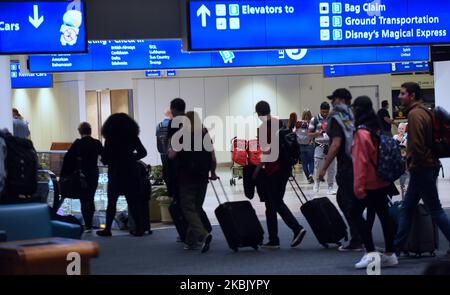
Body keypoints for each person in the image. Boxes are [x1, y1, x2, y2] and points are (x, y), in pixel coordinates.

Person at [394, 82, 450, 258]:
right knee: (408, 208)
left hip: (422, 168)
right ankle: (396, 248)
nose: (399, 96)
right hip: (426, 167)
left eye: (403, 93)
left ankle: (395, 249)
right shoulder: (425, 111)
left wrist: (411, 162)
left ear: (412, 96)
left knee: (435, 209)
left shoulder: (415, 114)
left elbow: (417, 146)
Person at [350, 96, 398, 269]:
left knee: (354, 214)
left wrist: (358, 186)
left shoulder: (361, 133)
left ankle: (370, 254)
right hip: (382, 180)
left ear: (357, 110)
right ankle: (391, 254)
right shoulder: (376, 128)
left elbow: (360, 162)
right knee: (383, 217)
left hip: (368, 182)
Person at [252, 100, 306, 249]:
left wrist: (257, 169)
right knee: (271, 204)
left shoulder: (262, 128)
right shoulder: (280, 122)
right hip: (285, 167)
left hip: (273, 170)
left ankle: (297, 228)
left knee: (275, 202)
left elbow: (267, 151)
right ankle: (273, 239)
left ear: (258, 113)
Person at [319, 88, 363, 251]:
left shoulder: (338, 118)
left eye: (334, 99)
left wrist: (323, 168)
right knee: (348, 201)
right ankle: (361, 235)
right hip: (360, 163)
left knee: (347, 202)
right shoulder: (352, 115)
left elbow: (336, 143)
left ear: (342, 100)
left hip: (347, 167)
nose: (332, 102)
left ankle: (358, 239)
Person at [168, 111, 217, 253]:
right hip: (202, 178)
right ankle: (190, 242)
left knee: (188, 209)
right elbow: (213, 158)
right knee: (195, 209)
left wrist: (170, 149)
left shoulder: (182, 135)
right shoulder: (204, 133)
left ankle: (202, 235)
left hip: (186, 178)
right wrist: (212, 172)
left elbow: (172, 156)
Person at [97, 113, 148, 237]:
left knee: (112, 202)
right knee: (133, 201)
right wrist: (131, 157)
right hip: (131, 171)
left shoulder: (110, 139)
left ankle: (107, 229)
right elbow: (143, 152)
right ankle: (140, 228)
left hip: (116, 172)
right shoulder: (132, 136)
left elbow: (105, 158)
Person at [61, 122, 103, 232]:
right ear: (90, 130)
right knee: (91, 197)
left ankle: (88, 224)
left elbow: (68, 159)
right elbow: (104, 156)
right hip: (94, 174)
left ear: (80, 132)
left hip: (82, 175)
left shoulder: (78, 143)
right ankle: (90, 221)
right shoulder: (96, 143)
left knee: (84, 200)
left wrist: (65, 175)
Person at [309, 102, 336, 194]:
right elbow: (309, 134)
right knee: (318, 167)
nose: (325, 113)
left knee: (332, 168)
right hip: (319, 146)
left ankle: (330, 186)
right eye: (323, 111)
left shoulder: (332, 119)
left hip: (331, 146)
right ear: (320, 110)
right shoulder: (314, 119)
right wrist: (317, 133)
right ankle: (316, 184)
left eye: (326, 112)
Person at [296, 110, 314, 184]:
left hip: (300, 145)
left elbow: (294, 132)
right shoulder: (312, 122)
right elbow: (314, 133)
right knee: (311, 161)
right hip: (309, 144)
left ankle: (308, 177)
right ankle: (310, 175)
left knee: (304, 163)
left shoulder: (298, 123)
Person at [156, 108, 172, 185]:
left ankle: (168, 188)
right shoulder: (176, 125)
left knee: (165, 169)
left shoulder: (159, 125)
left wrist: (161, 151)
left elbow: (158, 140)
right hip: (174, 152)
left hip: (163, 152)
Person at [393, 122, 408, 199]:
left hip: (405, 163)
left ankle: (407, 198)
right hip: (398, 164)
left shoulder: (407, 138)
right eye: (399, 128)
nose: (401, 130)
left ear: (405, 130)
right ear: (397, 129)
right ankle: (403, 198)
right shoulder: (395, 137)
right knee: (402, 184)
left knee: (407, 182)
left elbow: (404, 153)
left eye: (402, 128)